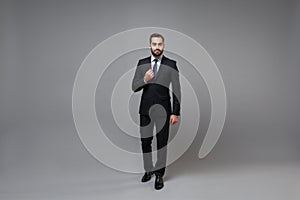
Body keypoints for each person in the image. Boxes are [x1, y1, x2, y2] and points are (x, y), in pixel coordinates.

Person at [132, 33, 181, 190]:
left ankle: (159, 174)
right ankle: (148, 169)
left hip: (164, 111)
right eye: (154, 44)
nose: (157, 47)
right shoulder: (142, 63)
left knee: (162, 143)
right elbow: (134, 87)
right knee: (145, 142)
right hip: (145, 110)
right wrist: (145, 79)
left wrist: (175, 112)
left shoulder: (171, 64)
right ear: (150, 46)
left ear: (164, 46)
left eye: (160, 44)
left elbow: (176, 91)